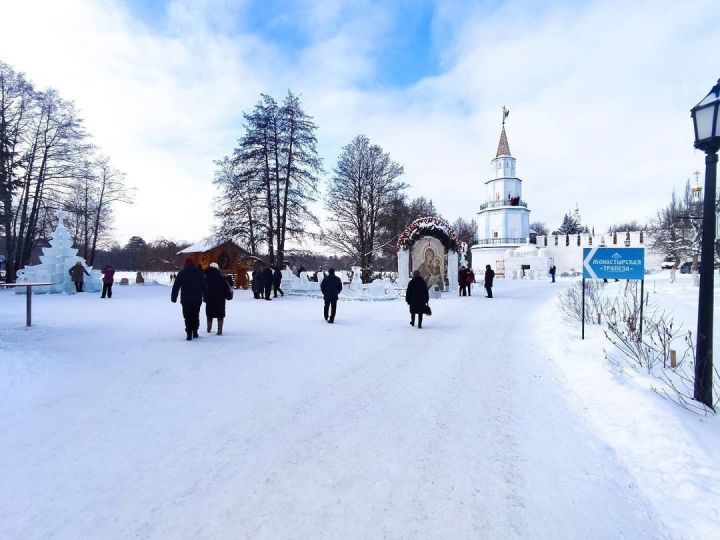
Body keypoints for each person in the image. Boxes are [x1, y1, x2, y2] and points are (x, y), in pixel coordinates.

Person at [171, 257, 207, 341]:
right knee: (195, 315)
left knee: (187, 316)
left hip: (185, 300)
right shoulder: (199, 273)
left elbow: (176, 286)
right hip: (197, 299)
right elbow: (204, 286)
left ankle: (189, 333)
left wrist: (174, 297)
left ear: (186, 264)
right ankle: (195, 331)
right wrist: (206, 297)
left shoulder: (181, 273)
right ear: (193, 264)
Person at [205, 262, 230, 335]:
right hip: (220, 299)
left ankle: (209, 329)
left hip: (209, 299)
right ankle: (219, 330)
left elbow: (204, 288)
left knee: (209, 314)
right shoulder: (222, 278)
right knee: (220, 314)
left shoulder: (206, 278)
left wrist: (205, 297)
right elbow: (226, 289)